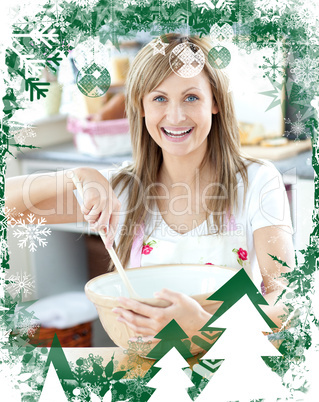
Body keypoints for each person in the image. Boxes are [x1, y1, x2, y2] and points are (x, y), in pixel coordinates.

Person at [5, 33, 294, 343]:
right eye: (159, 98)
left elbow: (287, 301)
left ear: (216, 103)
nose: (175, 115)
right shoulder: (121, 190)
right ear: (141, 107)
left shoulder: (257, 181)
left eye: (191, 97)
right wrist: (80, 175)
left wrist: (207, 324)